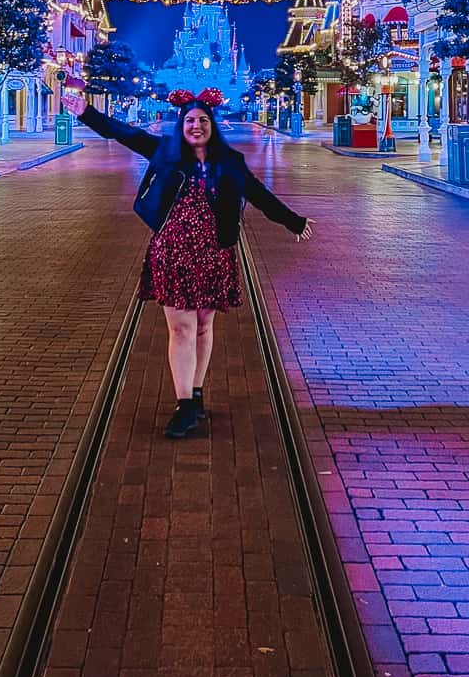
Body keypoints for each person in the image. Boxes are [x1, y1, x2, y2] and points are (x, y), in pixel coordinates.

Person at [62, 86, 314, 438]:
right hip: (173, 251)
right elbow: (125, 134)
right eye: (190, 120)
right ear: (182, 124)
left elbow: (258, 195)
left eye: (202, 120)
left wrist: (292, 221)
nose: (196, 125)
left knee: (203, 326)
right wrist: (85, 112)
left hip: (214, 252)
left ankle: (195, 393)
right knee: (180, 328)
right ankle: (184, 404)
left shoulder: (230, 163)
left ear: (212, 125)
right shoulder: (165, 152)